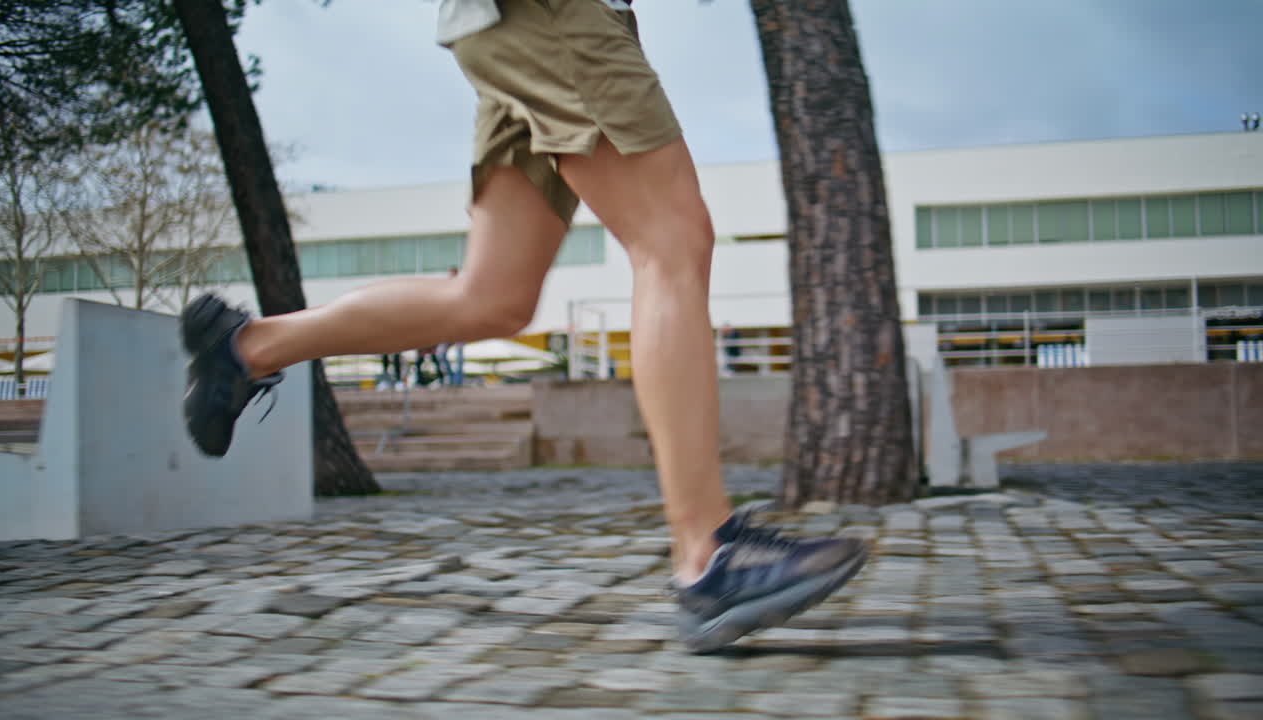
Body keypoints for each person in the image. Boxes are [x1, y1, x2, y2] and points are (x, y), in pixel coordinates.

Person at [180, 0, 867, 653]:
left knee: (493, 298)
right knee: (672, 242)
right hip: (550, 17)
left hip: (521, 25)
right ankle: (707, 552)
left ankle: (247, 348)